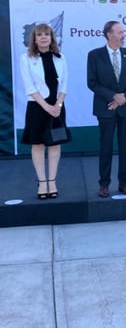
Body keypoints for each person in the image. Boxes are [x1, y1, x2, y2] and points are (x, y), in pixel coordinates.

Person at [87, 20, 126, 197]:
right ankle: (104, 184)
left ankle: (124, 183)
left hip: (125, 108)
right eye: (120, 32)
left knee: (125, 146)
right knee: (106, 146)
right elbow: (92, 82)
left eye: (123, 32)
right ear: (109, 34)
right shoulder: (95, 55)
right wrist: (113, 96)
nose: (123, 35)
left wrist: (124, 97)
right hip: (105, 108)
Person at [20, 22, 69, 200]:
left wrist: (58, 106)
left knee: (55, 144)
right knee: (38, 144)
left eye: (46, 34)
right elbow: (29, 87)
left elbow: (64, 85)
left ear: (51, 38)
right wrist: (46, 106)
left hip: (57, 107)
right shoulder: (26, 58)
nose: (43, 37)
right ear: (34, 38)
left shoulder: (60, 57)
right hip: (37, 106)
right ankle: (42, 182)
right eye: (39, 35)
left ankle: (52, 181)